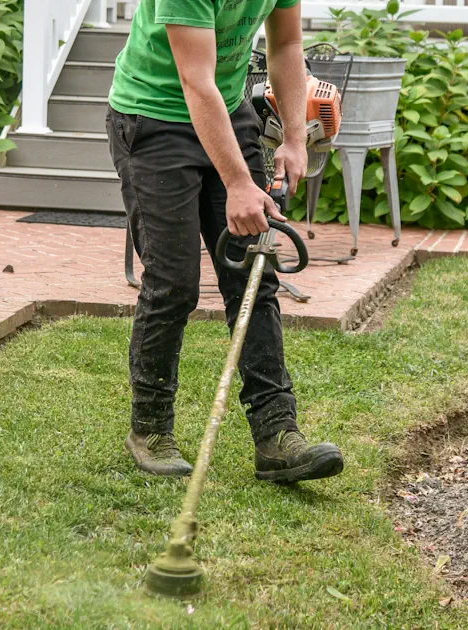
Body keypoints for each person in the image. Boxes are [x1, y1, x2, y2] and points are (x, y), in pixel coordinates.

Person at [107, 0, 344, 482]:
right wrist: (238, 182)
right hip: (153, 118)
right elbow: (196, 81)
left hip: (228, 109)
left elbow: (287, 45)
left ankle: (277, 436)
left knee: (254, 274)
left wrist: (295, 139)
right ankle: (150, 428)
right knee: (173, 281)